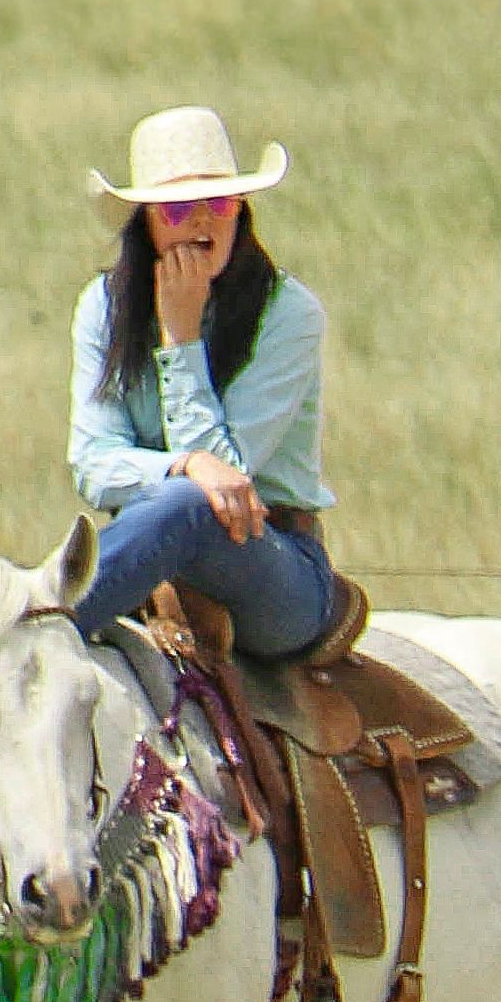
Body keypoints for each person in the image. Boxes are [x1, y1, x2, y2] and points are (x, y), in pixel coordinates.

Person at [64, 105, 340, 656]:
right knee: (180, 497)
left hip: (274, 564)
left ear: (241, 210)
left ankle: (47, 627)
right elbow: (92, 461)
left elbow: (227, 488)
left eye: (219, 202)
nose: (202, 222)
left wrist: (180, 337)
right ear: (145, 222)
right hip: (150, 560)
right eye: (177, 209)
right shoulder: (103, 306)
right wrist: (181, 464)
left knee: (187, 506)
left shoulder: (288, 314)